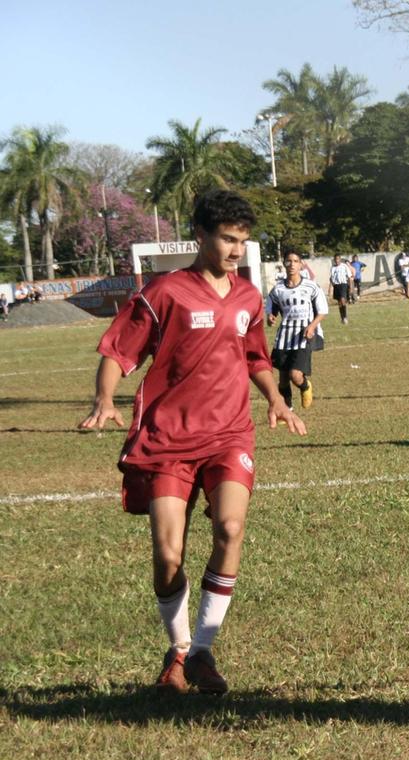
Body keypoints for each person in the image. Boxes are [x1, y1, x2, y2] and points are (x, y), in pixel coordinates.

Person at [77, 190, 306, 696]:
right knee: (167, 554)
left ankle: (201, 650)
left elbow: (255, 357)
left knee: (229, 526)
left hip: (229, 434)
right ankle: (178, 649)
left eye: (242, 241)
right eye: (227, 239)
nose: (235, 251)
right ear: (200, 235)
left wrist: (276, 399)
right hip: (169, 438)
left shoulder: (247, 296)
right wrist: (104, 399)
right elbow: (119, 349)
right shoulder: (167, 292)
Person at [267, 248, 328, 410]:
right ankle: (287, 409)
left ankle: (305, 386)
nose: (292, 264)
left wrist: (312, 326)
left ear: (301, 264)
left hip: (303, 335)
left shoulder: (311, 287)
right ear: (284, 264)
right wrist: (271, 316)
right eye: (288, 261)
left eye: (295, 261)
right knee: (283, 378)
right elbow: (271, 305)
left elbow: (322, 311)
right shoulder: (278, 289)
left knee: (295, 375)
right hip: (284, 336)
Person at [329, 255, 353, 324]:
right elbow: (331, 278)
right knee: (339, 303)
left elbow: (349, 276)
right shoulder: (333, 268)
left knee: (343, 300)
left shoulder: (344, 266)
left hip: (343, 284)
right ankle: (342, 317)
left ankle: (345, 317)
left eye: (338, 259)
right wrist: (330, 287)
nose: (336, 260)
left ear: (340, 259)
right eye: (335, 259)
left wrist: (351, 287)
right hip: (336, 286)